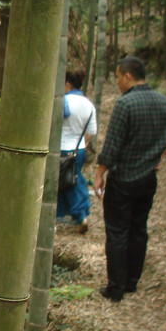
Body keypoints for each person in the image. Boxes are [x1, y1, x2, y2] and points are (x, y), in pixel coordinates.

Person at [94, 57, 166, 302]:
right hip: (148, 179)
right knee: (138, 229)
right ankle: (131, 282)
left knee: (118, 231)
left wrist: (100, 174)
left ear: (127, 76)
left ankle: (115, 288)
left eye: (118, 77)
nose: (117, 82)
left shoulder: (126, 104)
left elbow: (112, 145)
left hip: (123, 179)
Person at [57, 70, 97, 233]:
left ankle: (79, 214)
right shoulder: (88, 104)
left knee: (63, 182)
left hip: (60, 150)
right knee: (71, 179)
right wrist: (81, 143)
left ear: (67, 83)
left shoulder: (63, 101)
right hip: (78, 150)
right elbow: (91, 132)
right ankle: (76, 216)